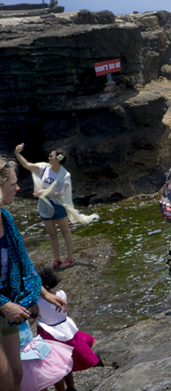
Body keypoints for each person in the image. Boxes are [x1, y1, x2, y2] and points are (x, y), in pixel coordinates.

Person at [0, 160, 66, 391]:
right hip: (3, 307)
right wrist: (3, 304)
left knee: (17, 374)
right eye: (13, 184)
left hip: (8, 310)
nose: (18, 188)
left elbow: (24, 263)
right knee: (4, 377)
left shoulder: (5, 218)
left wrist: (45, 294)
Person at [13, 145, 97, 269]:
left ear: (58, 159)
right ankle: (57, 259)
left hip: (58, 205)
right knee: (52, 234)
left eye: (51, 156)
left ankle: (70, 258)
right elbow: (26, 165)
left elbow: (59, 193)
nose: (49, 157)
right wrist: (17, 154)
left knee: (65, 231)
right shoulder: (45, 169)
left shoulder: (65, 175)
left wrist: (43, 192)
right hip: (44, 205)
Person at [33, 263, 100, 391]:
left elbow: (34, 317)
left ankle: (61, 390)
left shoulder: (36, 302)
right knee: (67, 363)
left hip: (49, 335)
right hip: (66, 330)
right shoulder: (61, 294)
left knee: (55, 368)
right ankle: (71, 387)